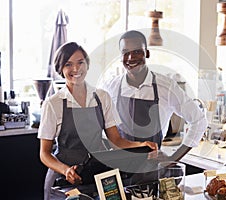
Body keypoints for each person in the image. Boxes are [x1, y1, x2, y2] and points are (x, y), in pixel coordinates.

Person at [38, 42, 157, 200]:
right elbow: (44, 153)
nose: (76, 69)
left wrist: (141, 146)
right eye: (68, 64)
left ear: (87, 64)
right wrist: (66, 170)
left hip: (99, 177)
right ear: (61, 69)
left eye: (81, 62)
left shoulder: (102, 97)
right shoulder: (53, 103)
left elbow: (116, 140)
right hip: (64, 180)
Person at [102, 30, 208, 163]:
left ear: (147, 53)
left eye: (136, 51)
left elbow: (199, 121)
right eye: (125, 52)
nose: (130, 58)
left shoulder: (166, 87)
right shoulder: (111, 87)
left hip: (152, 169)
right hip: (119, 167)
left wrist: (173, 159)